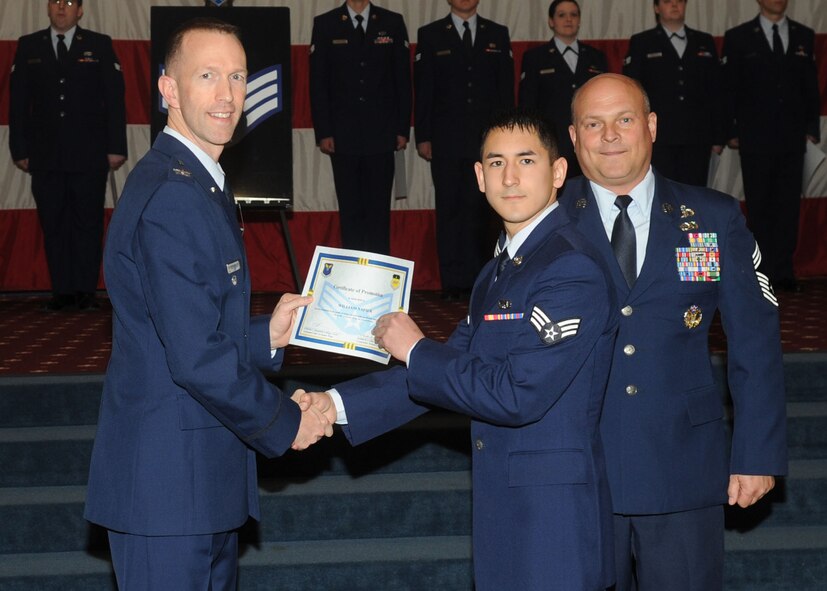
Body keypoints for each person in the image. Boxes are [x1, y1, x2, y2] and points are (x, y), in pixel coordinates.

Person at [301, 108, 619, 591]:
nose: (509, 177)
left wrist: (416, 348)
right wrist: (334, 405)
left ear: (558, 173)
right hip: (504, 512)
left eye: (526, 161)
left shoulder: (570, 267)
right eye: (495, 163)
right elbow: (447, 373)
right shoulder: (498, 271)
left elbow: (516, 395)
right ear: (478, 176)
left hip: (553, 524)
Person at [83, 18, 331, 589]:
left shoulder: (199, 181)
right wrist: (285, 420)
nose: (227, 95)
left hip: (198, 484)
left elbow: (177, 329)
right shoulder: (174, 194)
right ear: (169, 89)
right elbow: (195, 358)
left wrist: (265, 335)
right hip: (168, 492)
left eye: (238, 77)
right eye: (207, 76)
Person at [563, 73, 787, 591]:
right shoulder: (544, 220)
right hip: (577, 471)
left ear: (652, 126)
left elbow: (755, 342)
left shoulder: (712, 217)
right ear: (573, 139)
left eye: (624, 119)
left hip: (683, 467)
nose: (610, 135)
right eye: (593, 124)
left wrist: (756, 454)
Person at [8, 0, 127, 311]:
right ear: (49, 8)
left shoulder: (99, 45)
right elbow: (18, 103)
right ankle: (62, 292)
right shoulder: (29, 45)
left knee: (87, 224)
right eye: (56, 2)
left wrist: (117, 146)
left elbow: (115, 100)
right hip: (45, 155)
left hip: (89, 154)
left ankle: (85, 292)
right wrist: (19, 149)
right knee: (54, 224)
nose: (62, 8)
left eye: (69, 2)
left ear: (80, 11)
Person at [414, 0, 514, 300]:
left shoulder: (497, 33)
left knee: (483, 213)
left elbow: (505, 90)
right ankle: (452, 282)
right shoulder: (430, 34)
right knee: (450, 211)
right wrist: (424, 135)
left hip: (487, 143)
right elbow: (424, 90)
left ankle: (479, 281)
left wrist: (506, 136)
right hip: (446, 140)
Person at [722, 0, 820, 292]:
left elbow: (810, 86)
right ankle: (762, 268)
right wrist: (731, 129)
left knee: (788, 205)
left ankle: (783, 269)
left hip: (792, 137)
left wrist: (812, 128)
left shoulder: (804, 34)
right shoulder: (739, 36)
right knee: (760, 205)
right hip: (755, 137)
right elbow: (729, 87)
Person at [309, 0, 411, 255]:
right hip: (343, 135)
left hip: (383, 133)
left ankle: (379, 277)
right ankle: (353, 280)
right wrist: (324, 131)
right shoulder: (325, 24)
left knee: (379, 212)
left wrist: (401, 129)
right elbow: (318, 83)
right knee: (350, 212)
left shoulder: (392, 22)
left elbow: (402, 79)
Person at [623, 0, 724, 187]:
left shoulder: (704, 41)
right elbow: (632, 91)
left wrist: (718, 136)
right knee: (661, 192)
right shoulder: (643, 42)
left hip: (697, 136)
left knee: (694, 193)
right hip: (659, 136)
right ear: (656, 8)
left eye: (679, 1)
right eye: (668, 1)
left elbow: (716, 91)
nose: (675, 5)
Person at [519, 0, 607, 180]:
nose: (568, 19)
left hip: (591, 139)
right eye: (562, 15)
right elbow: (528, 105)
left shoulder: (596, 57)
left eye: (573, 15)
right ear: (551, 21)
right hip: (553, 140)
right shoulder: (535, 58)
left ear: (579, 20)